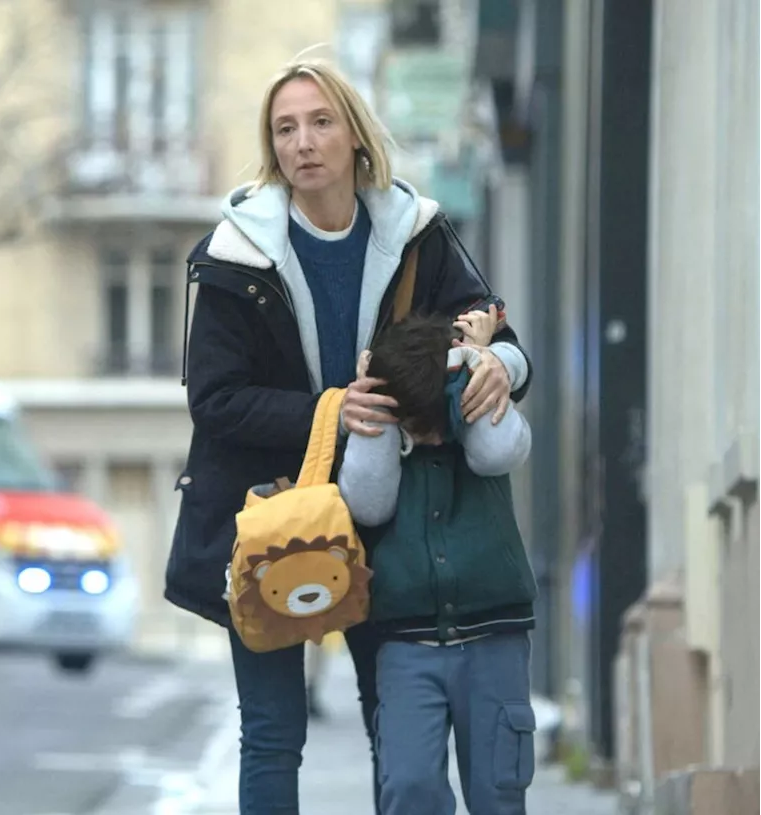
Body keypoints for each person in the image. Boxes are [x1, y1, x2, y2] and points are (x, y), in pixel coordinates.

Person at [163, 57, 534, 814]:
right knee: (272, 729)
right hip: (270, 516)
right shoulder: (236, 253)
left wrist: (500, 362)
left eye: (321, 122)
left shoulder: (416, 234)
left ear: (356, 137)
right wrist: (332, 408)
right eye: (286, 128)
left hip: (386, 517)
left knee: (389, 724)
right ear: (273, 148)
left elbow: (494, 326)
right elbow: (215, 399)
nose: (304, 142)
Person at [336, 312, 537, 814]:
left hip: (495, 637)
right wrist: (378, 412)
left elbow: (497, 452)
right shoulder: (389, 422)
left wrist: (474, 370)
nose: (428, 435)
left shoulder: (471, 419)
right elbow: (368, 503)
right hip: (408, 644)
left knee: (499, 793)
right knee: (408, 788)